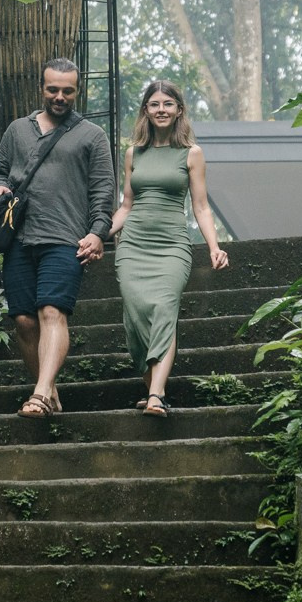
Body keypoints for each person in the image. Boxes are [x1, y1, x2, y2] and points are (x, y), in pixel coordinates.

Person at [0, 58, 115, 418]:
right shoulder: (17, 130)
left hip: (65, 238)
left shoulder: (91, 135)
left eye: (67, 91)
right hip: (19, 238)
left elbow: (104, 192)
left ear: (77, 90)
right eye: (53, 89)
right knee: (24, 321)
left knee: (51, 311)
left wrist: (97, 232)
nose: (59, 97)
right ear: (42, 88)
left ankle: (39, 395)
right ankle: (50, 389)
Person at [109, 80, 228, 417]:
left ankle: (157, 394)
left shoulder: (191, 153)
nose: (161, 110)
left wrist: (214, 247)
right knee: (136, 319)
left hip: (171, 245)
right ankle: (151, 391)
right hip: (134, 246)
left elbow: (201, 207)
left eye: (168, 104)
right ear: (146, 110)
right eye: (154, 104)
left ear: (179, 110)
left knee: (164, 309)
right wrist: (99, 232)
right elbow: (126, 205)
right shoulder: (134, 153)